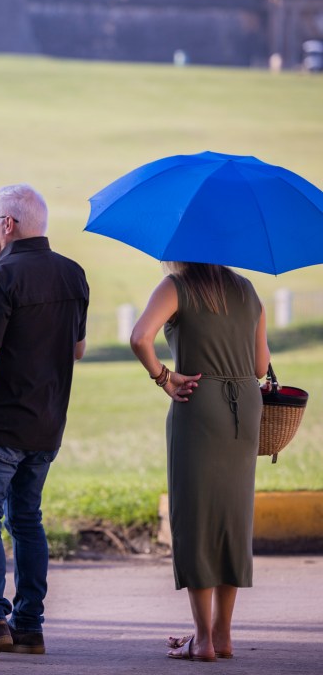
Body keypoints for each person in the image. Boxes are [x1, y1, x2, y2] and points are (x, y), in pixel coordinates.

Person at [0, 184, 88, 660]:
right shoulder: (74, 275)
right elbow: (77, 349)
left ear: (7, 224)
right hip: (46, 424)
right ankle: (29, 625)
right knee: (27, 520)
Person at [129, 262, 269, 662]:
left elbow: (140, 337)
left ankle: (203, 638)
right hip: (246, 405)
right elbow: (260, 367)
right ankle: (223, 635)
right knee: (232, 516)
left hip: (198, 400)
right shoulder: (248, 291)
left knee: (196, 517)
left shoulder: (176, 286)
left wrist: (163, 376)